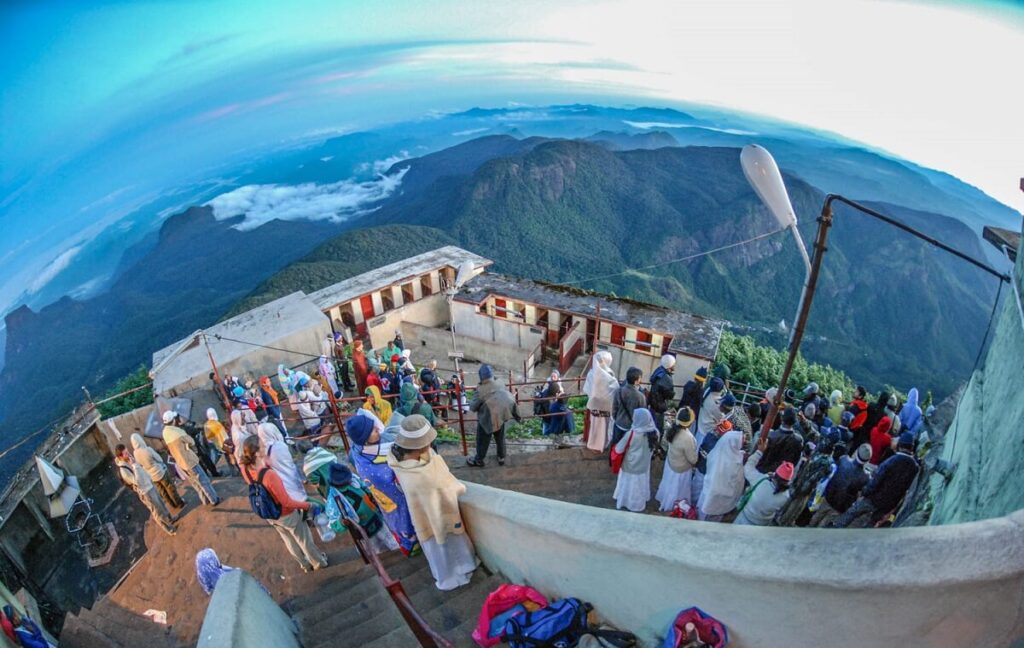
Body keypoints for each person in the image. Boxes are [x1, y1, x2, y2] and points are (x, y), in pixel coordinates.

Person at [388, 415, 478, 590]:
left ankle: (445, 573)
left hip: (423, 517)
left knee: (437, 550)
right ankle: (456, 571)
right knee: (448, 544)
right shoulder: (422, 475)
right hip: (438, 515)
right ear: (422, 445)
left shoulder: (397, 460)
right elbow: (449, 487)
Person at [239, 436, 326, 572]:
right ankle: (318, 562)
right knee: (304, 539)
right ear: (256, 453)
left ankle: (304, 565)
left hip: (269, 513)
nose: (265, 446)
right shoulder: (269, 475)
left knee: (288, 539)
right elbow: (286, 501)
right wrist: (308, 506)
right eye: (262, 445)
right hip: (286, 513)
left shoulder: (246, 468)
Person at [346, 414, 420, 555]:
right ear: (365, 440)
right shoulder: (372, 466)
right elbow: (390, 480)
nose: (378, 430)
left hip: (387, 501)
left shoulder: (360, 450)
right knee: (405, 524)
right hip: (395, 500)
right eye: (373, 430)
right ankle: (411, 548)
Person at [302, 448, 399, 554]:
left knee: (392, 542)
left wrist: (375, 499)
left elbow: (367, 489)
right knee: (375, 551)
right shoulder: (333, 499)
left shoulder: (354, 480)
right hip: (361, 530)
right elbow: (334, 522)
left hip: (377, 519)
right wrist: (342, 523)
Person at [832, 432, 919, 528]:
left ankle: (837, 527)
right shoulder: (915, 467)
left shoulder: (893, 460)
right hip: (888, 504)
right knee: (871, 523)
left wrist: (865, 491)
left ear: (900, 445)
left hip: (873, 498)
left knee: (852, 512)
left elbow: (877, 477)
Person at [117, 446, 178, 536]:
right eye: (126, 453)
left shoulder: (129, 460)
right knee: (156, 511)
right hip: (145, 492)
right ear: (120, 457)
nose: (128, 454)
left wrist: (148, 477)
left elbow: (141, 470)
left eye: (127, 451)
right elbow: (137, 481)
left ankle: (170, 519)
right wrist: (134, 465)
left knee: (161, 503)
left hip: (150, 485)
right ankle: (169, 529)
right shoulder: (124, 471)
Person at [162, 411, 220, 506]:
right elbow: (191, 441)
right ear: (173, 420)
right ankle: (214, 499)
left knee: (195, 483)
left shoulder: (165, 432)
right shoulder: (178, 432)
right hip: (190, 460)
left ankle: (205, 500)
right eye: (175, 418)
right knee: (203, 480)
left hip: (181, 463)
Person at [467, 365, 521, 467]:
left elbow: (473, 407)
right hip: (501, 415)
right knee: (500, 438)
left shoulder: (481, 389)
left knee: (482, 440)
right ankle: (501, 457)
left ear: (481, 377)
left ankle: (479, 460)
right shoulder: (500, 382)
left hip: (487, 419)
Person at [733, 437, 794, 526]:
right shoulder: (785, 496)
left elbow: (748, 467)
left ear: (775, 475)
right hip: (761, 525)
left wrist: (759, 452)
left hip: (744, 519)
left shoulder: (761, 481)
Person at [810, 443, 872, 527]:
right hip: (840, 507)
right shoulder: (865, 477)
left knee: (816, 517)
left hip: (828, 497)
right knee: (824, 525)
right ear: (868, 460)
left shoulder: (843, 459)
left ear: (856, 452)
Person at [775, 442, 834, 527]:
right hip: (802, 483)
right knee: (792, 503)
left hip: (803, 485)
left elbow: (815, 477)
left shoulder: (824, 460)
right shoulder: (822, 457)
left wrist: (804, 486)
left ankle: (781, 520)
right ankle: (781, 520)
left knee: (793, 504)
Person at [612, 407, 658, 512]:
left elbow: (619, 449)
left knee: (629, 486)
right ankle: (639, 503)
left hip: (630, 466)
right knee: (640, 486)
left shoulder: (632, 434)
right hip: (644, 466)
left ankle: (626, 502)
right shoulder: (655, 433)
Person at [697, 427, 745, 521]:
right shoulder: (734, 462)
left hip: (709, 492)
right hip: (721, 497)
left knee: (703, 513)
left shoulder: (716, 452)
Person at [655, 407, 698, 512]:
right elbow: (693, 460)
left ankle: (665, 500)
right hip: (681, 470)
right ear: (689, 422)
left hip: (670, 464)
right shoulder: (688, 437)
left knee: (669, 486)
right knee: (676, 491)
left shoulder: (672, 429)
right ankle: (674, 505)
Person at [130, 432, 184, 510]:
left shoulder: (135, 453)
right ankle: (180, 503)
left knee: (163, 492)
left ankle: (173, 505)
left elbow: (140, 465)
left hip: (151, 476)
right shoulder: (148, 449)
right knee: (170, 488)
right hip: (160, 472)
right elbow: (159, 459)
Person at [258, 422, 307, 503]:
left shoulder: (261, 450)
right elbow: (289, 462)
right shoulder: (279, 446)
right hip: (290, 477)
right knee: (300, 498)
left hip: (279, 483)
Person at [583, 351, 618, 453]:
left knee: (595, 426)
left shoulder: (591, 373)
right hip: (606, 406)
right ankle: (602, 445)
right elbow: (615, 388)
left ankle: (593, 444)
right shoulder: (609, 374)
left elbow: (587, 389)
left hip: (594, 404)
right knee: (604, 428)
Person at [692, 418, 732, 506]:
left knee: (696, 488)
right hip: (707, 471)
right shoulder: (721, 445)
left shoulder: (709, 436)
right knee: (700, 492)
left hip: (702, 468)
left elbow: (701, 449)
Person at [756, 407, 803, 474]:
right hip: (782, 476)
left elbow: (760, 456)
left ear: (781, 418)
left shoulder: (770, 436)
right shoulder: (798, 440)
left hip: (763, 473)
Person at [611, 367, 646, 451]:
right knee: (627, 448)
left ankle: (613, 461)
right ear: (636, 381)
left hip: (618, 423)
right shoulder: (640, 396)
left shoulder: (619, 391)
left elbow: (614, 409)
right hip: (631, 427)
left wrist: (617, 419)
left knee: (615, 446)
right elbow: (642, 414)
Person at [647, 354, 677, 436]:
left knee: (651, 425)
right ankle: (654, 445)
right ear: (670, 365)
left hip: (652, 404)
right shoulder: (667, 378)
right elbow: (670, 395)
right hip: (659, 407)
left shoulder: (658, 371)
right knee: (658, 429)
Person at [203, 408, 237, 475]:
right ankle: (234, 473)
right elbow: (224, 435)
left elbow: (208, 437)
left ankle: (210, 470)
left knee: (213, 458)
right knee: (230, 459)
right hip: (223, 444)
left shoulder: (206, 425)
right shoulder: (217, 424)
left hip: (213, 444)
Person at [696, 377, 726, 447]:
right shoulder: (717, 404)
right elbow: (721, 418)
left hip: (701, 425)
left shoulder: (707, 392)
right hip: (707, 432)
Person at [846, 385, 871, 449]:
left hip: (848, 431)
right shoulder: (863, 406)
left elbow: (846, 419)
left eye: (856, 391)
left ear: (860, 396)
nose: (854, 392)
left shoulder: (855, 407)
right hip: (856, 434)